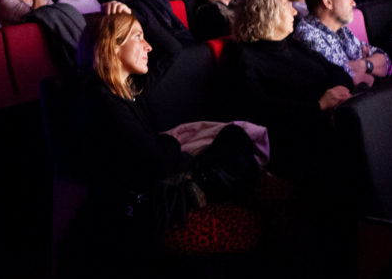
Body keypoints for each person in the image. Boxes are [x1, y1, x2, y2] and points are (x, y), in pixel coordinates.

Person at [84, 12, 260, 209]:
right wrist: (172, 143)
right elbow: (156, 163)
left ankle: (205, 182)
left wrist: (136, 16)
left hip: (164, 170)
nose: (148, 46)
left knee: (236, 138)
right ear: (112, 46)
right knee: (236, 147)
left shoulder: (129, 86)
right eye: (137, 36)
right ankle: (201, 185)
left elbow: (172, 50)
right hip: (148, 196)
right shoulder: (105, 102)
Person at [228, 0, 354, 175]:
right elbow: (259, 111)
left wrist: (336, 95)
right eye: (287, 6)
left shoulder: (293, 44)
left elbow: (339, 72)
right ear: (269, 13)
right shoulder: (246, 60)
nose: (295, 12)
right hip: (300, 144)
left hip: (334, 121)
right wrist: (318, 105)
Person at [294, 0, 389, 87]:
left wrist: (364, 65)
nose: (353, 3)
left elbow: (386, 60)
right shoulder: (308, 37)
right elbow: (351, 83)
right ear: (328, 2)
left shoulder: (339, 28)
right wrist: (370, 66)